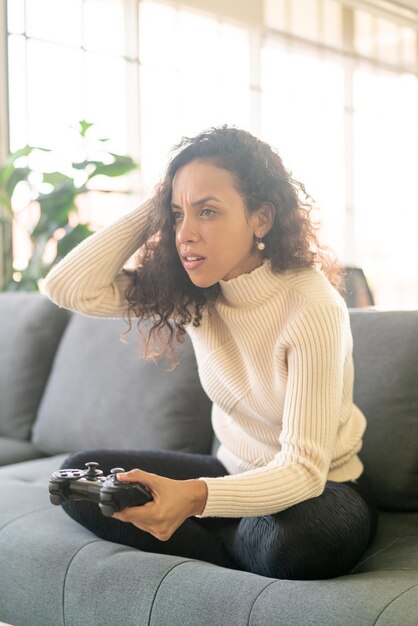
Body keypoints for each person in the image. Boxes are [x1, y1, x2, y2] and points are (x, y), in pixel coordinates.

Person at [44, 126, 377, 580]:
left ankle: (200, 531)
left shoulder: (313, 307)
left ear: (261, 218)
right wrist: (162, 203)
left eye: (208, 211)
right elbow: (68, 288)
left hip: (318, 493)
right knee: (83, 476)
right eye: (179, 216)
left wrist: (194, 498)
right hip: (230, 474)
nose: (186, 234)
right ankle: (228, 543)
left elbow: (302, 470)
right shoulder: (194, 293)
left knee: (308, 537)